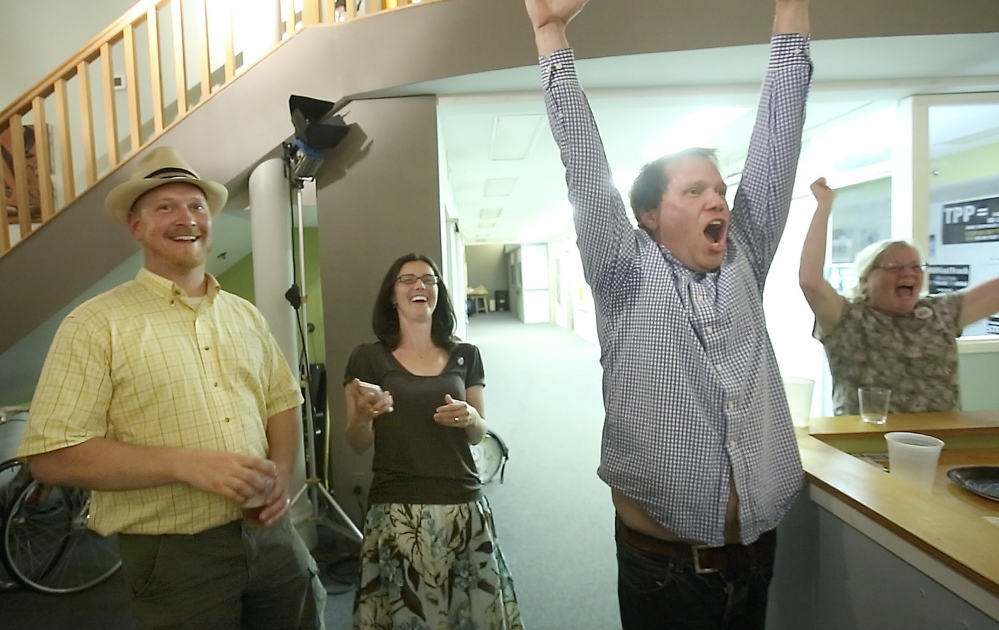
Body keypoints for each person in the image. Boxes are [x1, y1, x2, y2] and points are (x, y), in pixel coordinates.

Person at [526, 0, 813, 627]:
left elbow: (778, 137)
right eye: (694, 190)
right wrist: (551, 34)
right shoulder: (624, 270)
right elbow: (584, 162)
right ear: (650, 217)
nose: (718, 199)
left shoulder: (746, 256)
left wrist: (791, 11)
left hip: (757, 556)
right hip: (666, 571)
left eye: (720, 189)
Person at [16, 146, 326, 630]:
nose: (187, 218)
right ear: (135, 226)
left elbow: (281, 403)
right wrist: (183, 464)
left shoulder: (244, 315)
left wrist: (282, 476)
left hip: (273, 541)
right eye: (166, 207)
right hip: (174, 560)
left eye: (197, 205)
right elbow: (52, 454)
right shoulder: (96, 324)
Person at [343, 253, 523, 630]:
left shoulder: (465, 355)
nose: (419, 286)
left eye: (428, 279)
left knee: (469, 617)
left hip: (462, 504)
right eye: (407, 280)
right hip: (395, 511)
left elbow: (479, 434)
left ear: (438, 293)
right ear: (392, 296)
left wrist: (470, 418)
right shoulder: (367, 359)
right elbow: (357, 442)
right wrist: (364, 415)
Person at [799, 177, 999, 415]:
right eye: (894, 267)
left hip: (940, 442)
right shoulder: (847, 319)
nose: (909, 273)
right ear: (865, 281)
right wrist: (823, 206)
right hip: (865, 444)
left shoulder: (941, 312)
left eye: (916, 267)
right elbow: (810, 281)